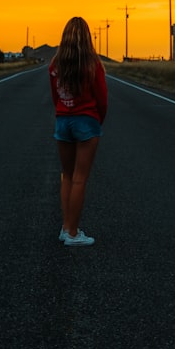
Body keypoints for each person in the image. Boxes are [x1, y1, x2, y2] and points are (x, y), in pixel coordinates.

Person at [49, 16, 108, 247]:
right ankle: (73, 233)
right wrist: (97, 120)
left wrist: (63, 112)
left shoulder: (55, 65)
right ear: (86, 38)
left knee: (67, 175)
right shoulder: (93, 64)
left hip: (63, 121)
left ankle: (66, 227)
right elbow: (102, 99)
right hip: (86, 121)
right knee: (80, 179)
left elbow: (55, 98)